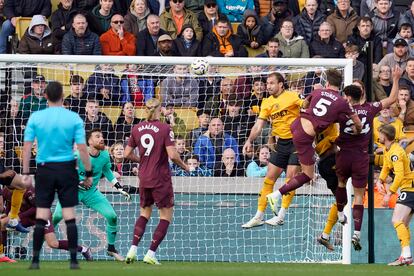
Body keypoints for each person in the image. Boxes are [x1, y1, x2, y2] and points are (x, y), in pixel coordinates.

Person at [265, 69, 362, 221]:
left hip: (296, 125)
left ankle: (339, 214)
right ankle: (276, 195)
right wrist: (358, 130)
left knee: (307, 172)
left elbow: (304, 104)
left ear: (327, 83)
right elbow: (357, 123)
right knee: (307, 175)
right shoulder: (342, 102)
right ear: (340, 85)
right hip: (305, 136)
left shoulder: (318, 92)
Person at [22, 81, 92, 269]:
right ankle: (74, 260)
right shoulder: (73, 117)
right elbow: (83, 148)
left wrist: (26, 172)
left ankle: (35, 260)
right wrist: (89, 173)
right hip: (67, 169)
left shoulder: (36, 117)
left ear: (45, 96)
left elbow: (27, 147)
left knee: (42, 214)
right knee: (69, 214)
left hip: (44, 169)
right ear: (62, 96)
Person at [334, 66, 401, 252]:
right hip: (361, 157)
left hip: (344, 154)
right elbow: (393, 99)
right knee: (358, 195)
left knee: (340, 184)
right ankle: (357, 233)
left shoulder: (341, 111)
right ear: (361, 94)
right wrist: (395, 79)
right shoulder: (370, 108)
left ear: (348, 97)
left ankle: (340, 214)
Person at [124, 98, 189, 265]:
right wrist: (185, 167)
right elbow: (173, 155)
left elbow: (126, 154)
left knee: (144, 213)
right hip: (160, 177)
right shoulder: (164, 128)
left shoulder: (136, 128)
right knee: (165, 217)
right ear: (159, 110)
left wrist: (142, 161)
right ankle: (151, 253)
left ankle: (132, 249)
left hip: (144, 177)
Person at [52, 128, 131, 262]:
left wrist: (119, 187)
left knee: (112, 216)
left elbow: (107, 172)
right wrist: (79, 182)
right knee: (58, 216)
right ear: (89, 141)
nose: (101, 139)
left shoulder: (105, 155)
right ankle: (44, 235)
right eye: (97, 136)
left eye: (102, 136)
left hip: (91, 193)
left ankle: (111, 249)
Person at [241, 72, 302, 228]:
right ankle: (258, 216)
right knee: (269, 180)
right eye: (267, 83)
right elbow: (259, 125)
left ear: (281, 84)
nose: (268, 86)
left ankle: (281, 215)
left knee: (290, 179)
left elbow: (306, 108)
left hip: (297, 142)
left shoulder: (292, 96)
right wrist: (249, 140)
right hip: (280, 143)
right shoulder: (266, 102)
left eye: (271, 83)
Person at [0, 186, 93, 261]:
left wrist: (19, 217)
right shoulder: (5, 190)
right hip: (27, 217)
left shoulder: (29, 190)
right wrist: (7, 214)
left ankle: (84, 250)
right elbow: (9, 203)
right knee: (2, 224)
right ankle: (3, 255)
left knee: (53, 243)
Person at [376, 124, 414, 266]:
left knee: (396, 220)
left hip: (410, 188)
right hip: (409, 188)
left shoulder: (395, 153)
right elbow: (386, 167)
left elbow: (399, 175)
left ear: (385, 136)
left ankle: (407, 255)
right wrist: (380, 180)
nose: (378, 136)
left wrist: (389, 193)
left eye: (380, 134)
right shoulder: (389, 149)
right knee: (403, 223)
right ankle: (405, 256)